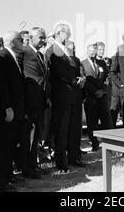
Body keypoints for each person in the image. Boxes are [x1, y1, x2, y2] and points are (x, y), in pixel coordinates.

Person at [46, 24, 85, 173]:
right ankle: (61, 163)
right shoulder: (52, 51)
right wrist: (74, 81)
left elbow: (76, 67)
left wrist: (81, 79)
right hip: (62, 96)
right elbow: (58, 71)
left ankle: (74, 157)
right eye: (67, 34)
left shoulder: (67, 51)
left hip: (74, 95)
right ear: (60, 33)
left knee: (74, 129)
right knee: (61, 130)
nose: (68, 37)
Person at [0, 31, 26, 191]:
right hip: (8, 111)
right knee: (3, 146)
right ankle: (1, 182)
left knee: (10, 145)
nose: (22, 43)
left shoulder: (10, 57)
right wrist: (7, 107)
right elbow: (1, 86)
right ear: (13, 42)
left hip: (15, 109)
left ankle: (7, 177)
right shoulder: (2, 57)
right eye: (20, 40)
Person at [22, 27, 49, 179]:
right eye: (41, 37)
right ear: (31, 38)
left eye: (44, 37)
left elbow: (44, 77)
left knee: (36, 136)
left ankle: (33, 165)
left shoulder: (40, 55)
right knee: (29, 137)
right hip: (30, 102)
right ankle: (27, 168)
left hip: (40, 102)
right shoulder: (25, 52)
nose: (44, 40)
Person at [81, 44, 113, 152]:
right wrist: (95, 91)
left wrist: (103, 90)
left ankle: (110, 143)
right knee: (92, 123)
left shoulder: (102, 63)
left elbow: (107, 78)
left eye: (94, 53)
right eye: (91, 53)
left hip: (102, 98)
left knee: (107, 121)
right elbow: (85, 81)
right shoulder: (83, 64)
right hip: (91, 98)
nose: (93, 55)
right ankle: (94, 144)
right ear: (87, 52)